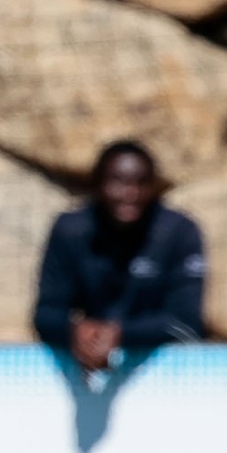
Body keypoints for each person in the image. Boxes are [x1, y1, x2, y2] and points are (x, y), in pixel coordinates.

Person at [32, 141, 204, 374]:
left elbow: (186, 323)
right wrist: (75, 332)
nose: (130, 194)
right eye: (118, 182)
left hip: (163, 369)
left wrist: (120, 334)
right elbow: (46, 313)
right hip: (86, 364)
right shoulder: (71, 230)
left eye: (141, 183)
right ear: (98, 184)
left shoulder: (179, 232)